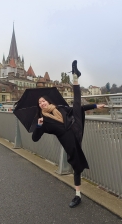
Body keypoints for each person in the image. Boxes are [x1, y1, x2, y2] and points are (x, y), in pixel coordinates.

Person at [32, 60, 105, 208]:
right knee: (76, 165)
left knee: (76, 104)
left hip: (75, 127)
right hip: (69, 140)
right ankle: (77, 195)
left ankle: (75, 77)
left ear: (48, 101)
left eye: (43, 101)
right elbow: (35, 138)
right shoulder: (43, 120)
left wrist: (96, 105)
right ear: (39, 106)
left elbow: (78, 110)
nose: (42, 103)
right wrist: (39, 126)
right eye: (40, 103)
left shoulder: (60, 108)